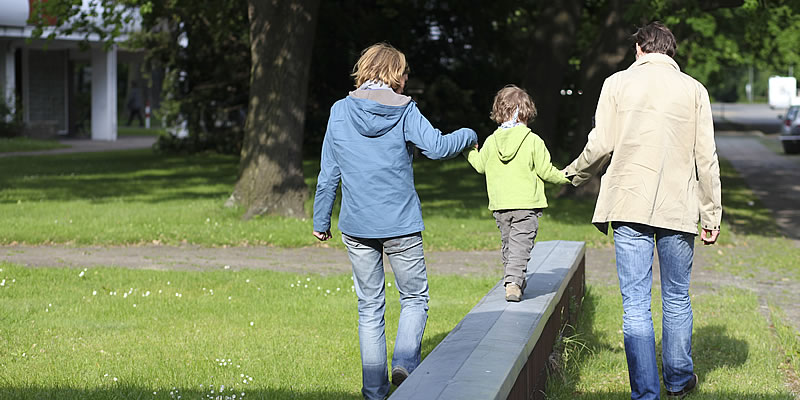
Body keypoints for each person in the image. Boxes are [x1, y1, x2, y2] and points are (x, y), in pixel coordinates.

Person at [563, 22, 722, 399]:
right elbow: (707, 158)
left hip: (628, 201)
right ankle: (680, 381)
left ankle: (646, 392)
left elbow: (601, 143)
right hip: (678, 206)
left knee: (635, 301)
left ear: (639, 49)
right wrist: (711, 213)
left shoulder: (616, 84)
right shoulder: (694, 90)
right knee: (677, 296)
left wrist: (574, 173)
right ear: (671, 52)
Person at [312, 43, 477, 400]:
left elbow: (328, 174)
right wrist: (469, 135)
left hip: (356, 227)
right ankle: (404, 362)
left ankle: (375, 392)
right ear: (395, 74)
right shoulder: (405, 110)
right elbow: (436, 147)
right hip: (401, 224)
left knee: (369, 308)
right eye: (404, 72)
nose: (406, 79)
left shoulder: (340, 111)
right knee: (415, 298)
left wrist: (321, 219)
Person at [463, 85, 570, 302]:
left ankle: (516, 279)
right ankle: (512, 282)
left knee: (509, 245)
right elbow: (546, 171)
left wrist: (468, 150)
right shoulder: (532, 140)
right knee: (521, 245)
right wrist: (569, 176)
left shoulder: (492, 141)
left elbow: (480, 166)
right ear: (526, 113)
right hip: (526, 205)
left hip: (500, 205)